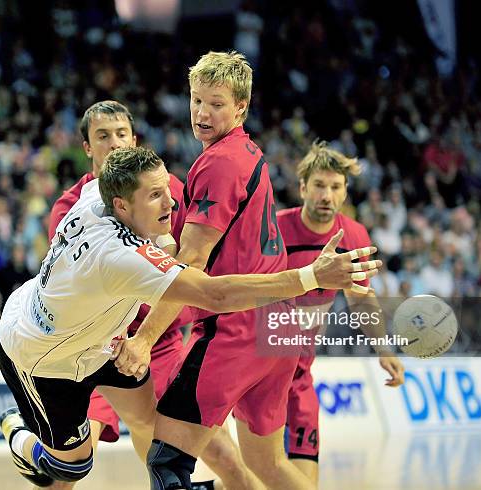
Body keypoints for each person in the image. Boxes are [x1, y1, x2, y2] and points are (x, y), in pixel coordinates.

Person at [0, 146, 380, 488]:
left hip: (101, 343)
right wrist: (312, 276)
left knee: (159, 425)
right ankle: (17, 429)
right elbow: (216, 293)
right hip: (42, 354)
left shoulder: (93, 194)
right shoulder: (121, 258)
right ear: (122, 206)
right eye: (155, 195)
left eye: (167, 188)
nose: (172, 202)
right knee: (70, 470)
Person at [114, 51, 377, 490]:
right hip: (278, 330)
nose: (202, 112)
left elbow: (192, 262)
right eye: (196, 100)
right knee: (267, 464)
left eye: (216, 103)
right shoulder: (248, 152)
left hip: (235, 332)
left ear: (240, 107)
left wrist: (144, 339)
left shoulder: (217, 162)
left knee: (166, 462)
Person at [47, 100, 260, 490]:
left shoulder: (168, 189)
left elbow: (194, 255)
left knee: (220, 455)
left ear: (134, 139)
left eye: (121, 134)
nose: (114, 143)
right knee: (67, 470)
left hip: (157, 343)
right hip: (94, 351)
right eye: (103, 136)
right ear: (87, 148)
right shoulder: (70, 208)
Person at [276, 141, 405, 484]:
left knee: (303, 482)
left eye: (335, 187)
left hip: (301, 375)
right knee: (258, 477)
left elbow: (361, 299)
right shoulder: (275, 230)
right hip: (264, 371)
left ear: (345, 191)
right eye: (319, 185)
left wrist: (383, 349)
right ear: (303, 187)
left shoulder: (355, 235)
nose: (326, 195)